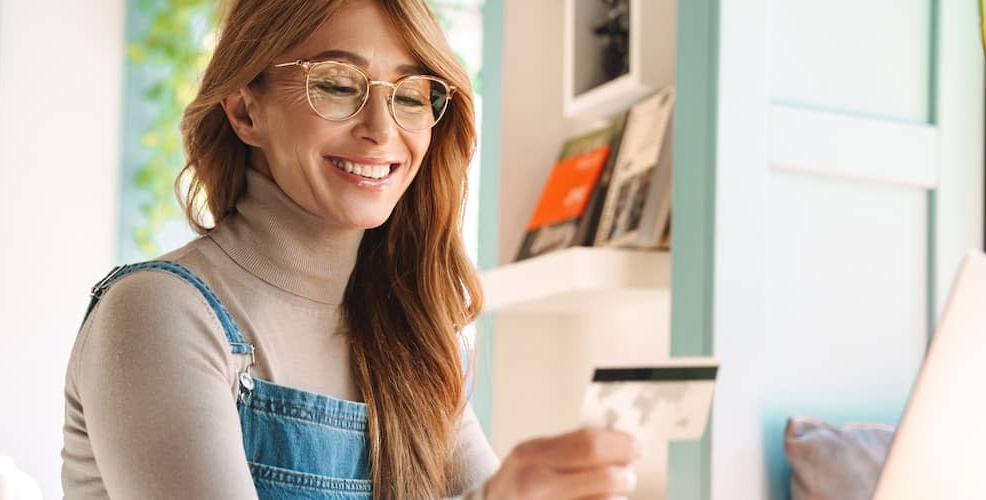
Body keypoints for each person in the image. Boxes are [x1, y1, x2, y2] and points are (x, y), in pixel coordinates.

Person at [60, 0, 641, 498]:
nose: (382, 131)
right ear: (245, 110)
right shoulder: (158, 315)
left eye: (411, 96)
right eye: (337, 85)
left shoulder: (417, 340)